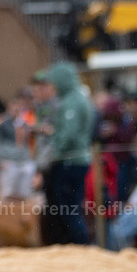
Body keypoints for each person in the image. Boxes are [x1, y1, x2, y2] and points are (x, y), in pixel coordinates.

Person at [40, 63, 93, 246]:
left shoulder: (73, 101)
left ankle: (79, 247)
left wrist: (53, 152)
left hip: (70, 162)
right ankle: (72, 247)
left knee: (68, 209)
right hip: (73, 160)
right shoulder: (76, 98)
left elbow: (68, 134)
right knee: (67, 209)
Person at [0, 89, 36, 200]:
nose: (16, 108)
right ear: (9, 106)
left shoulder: (26, 122)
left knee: (24, 195)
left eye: (18, 106)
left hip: (24, 161)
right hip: (7, 162)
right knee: (6, 195)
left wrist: (31, 158)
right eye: (14, 105)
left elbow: (31, 143)